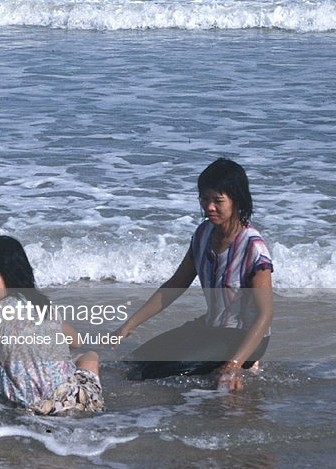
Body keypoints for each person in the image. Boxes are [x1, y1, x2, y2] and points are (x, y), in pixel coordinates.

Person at [110, 158, 274, 391]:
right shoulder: (203, 234)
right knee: (133, 363)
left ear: (237, 200)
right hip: (210, 327)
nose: (209, 207)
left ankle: (248, 363)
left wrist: (233, 365)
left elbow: (265, 316)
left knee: (155, 374)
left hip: (244, 337)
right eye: (205, 199)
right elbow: (176, 284)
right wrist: (128, 326)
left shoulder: (254, 248)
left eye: (218, 201)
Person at [0, 235, 103, 416]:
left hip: (37, 412)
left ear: (9, 275)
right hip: (76, 401)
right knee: (90, 356)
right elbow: (76, 342)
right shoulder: (41, 304)